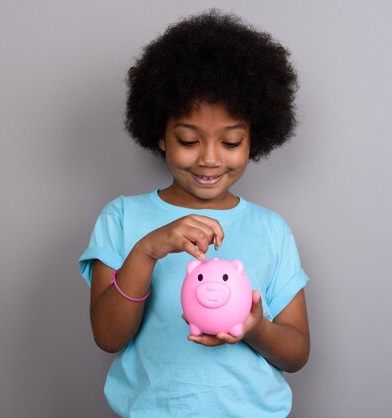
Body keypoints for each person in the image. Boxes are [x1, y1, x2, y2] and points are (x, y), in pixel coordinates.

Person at [78, 10, 310, 418]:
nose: (209, 158)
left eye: (231, 141)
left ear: (254, 140)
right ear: (159, 136)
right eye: (188, 139)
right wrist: (147, 251)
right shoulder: (122, 218)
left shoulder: (271, 229)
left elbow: (296, 354)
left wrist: (255, 329)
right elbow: (109, 337)